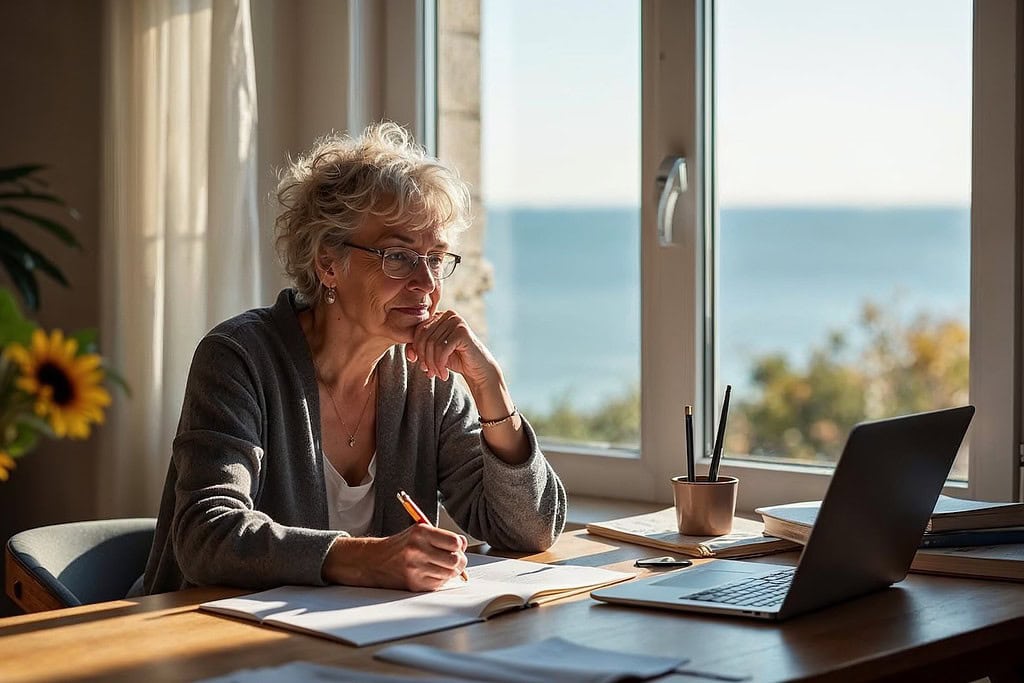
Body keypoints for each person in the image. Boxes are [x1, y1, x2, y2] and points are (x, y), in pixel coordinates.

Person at [140, 122, 566, 595]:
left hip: (353, 633)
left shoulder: (430, 377)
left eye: (436, 258)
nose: (426, 284)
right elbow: (205, 536)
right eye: (398, 256)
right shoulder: (240, 357)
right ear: (328, 263)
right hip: (208, 629)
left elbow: (530, 531)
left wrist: (492, 390)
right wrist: (365, 558)